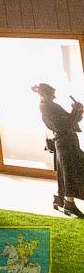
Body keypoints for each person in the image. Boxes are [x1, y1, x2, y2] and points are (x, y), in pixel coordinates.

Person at [34, 83, 84, 218]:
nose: (54, 97)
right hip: (64, 143)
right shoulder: (45, 108)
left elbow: (72, 121)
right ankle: (69, 204)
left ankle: (63, 200)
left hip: (69, 141)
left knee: (73, 171)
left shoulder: (52, 106)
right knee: (69, 173)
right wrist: (75, 112)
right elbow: (62, 125)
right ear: (44, 95)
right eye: (52, 95)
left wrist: (78, 111)